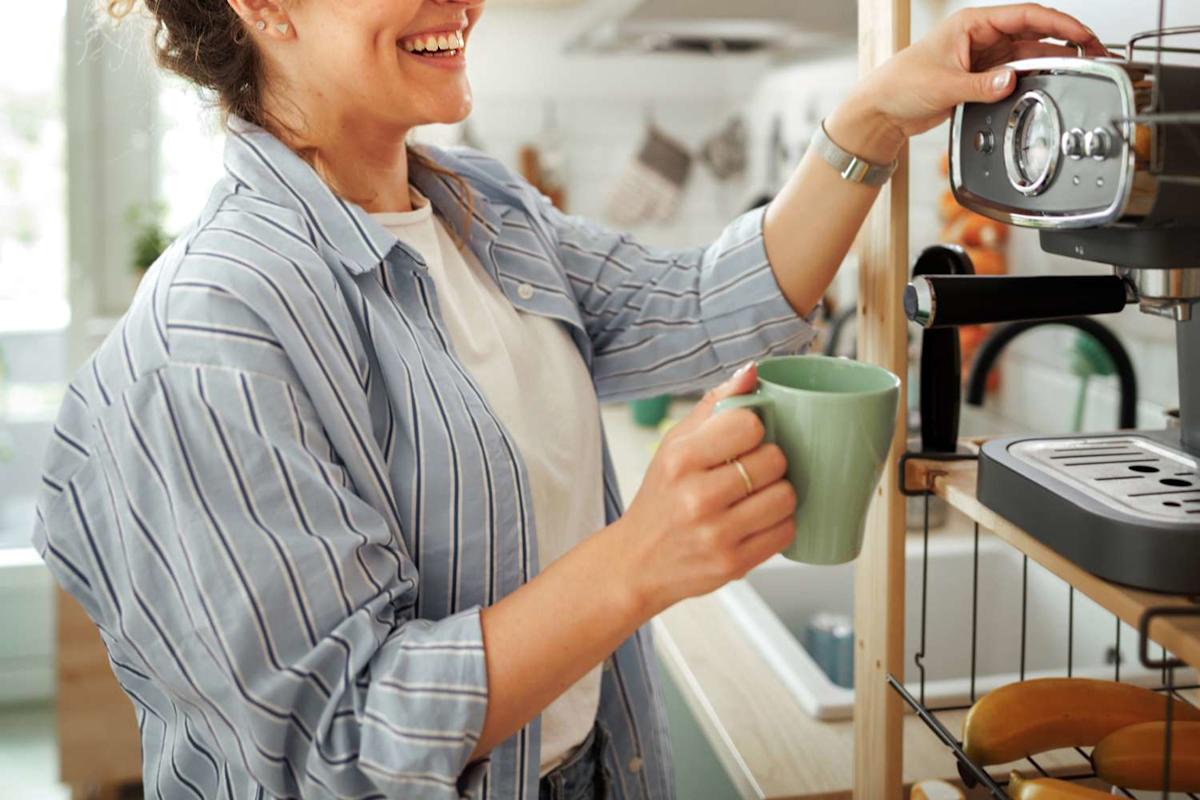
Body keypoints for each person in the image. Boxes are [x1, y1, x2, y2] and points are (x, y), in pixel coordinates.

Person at [35, 1, 1104, 798]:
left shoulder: (478, 206)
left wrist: (871, 117)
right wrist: (639, 559)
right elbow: (334, 747)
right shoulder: (217, 332)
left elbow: (701, 301)